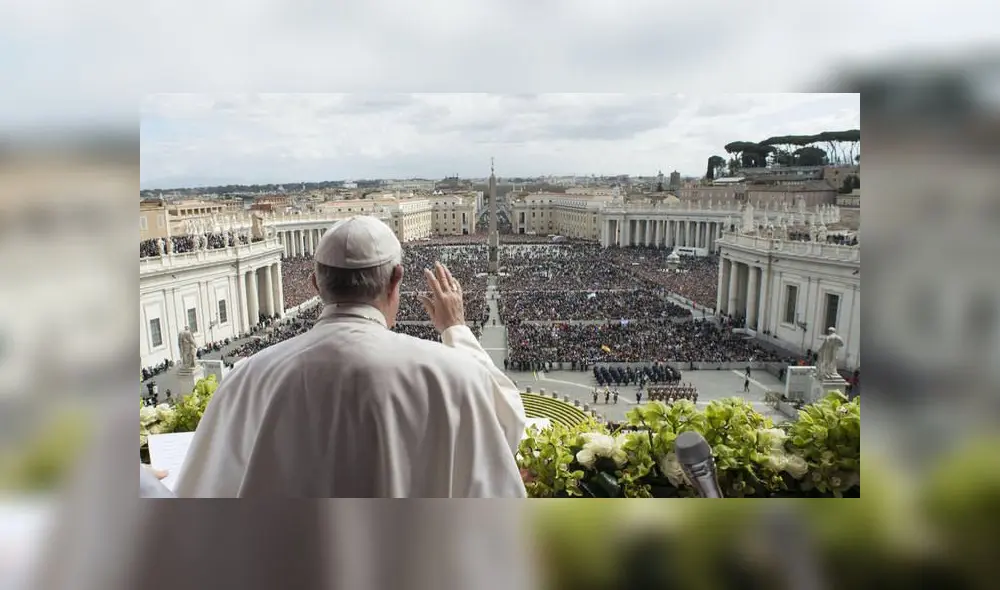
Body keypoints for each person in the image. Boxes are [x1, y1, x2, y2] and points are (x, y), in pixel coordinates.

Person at [174, 216, 526, 498]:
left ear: (315, 284)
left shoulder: (249, 378)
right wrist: (456, 330)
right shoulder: (452, 375)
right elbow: (508, 426)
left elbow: (200, 501)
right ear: (396, 280)